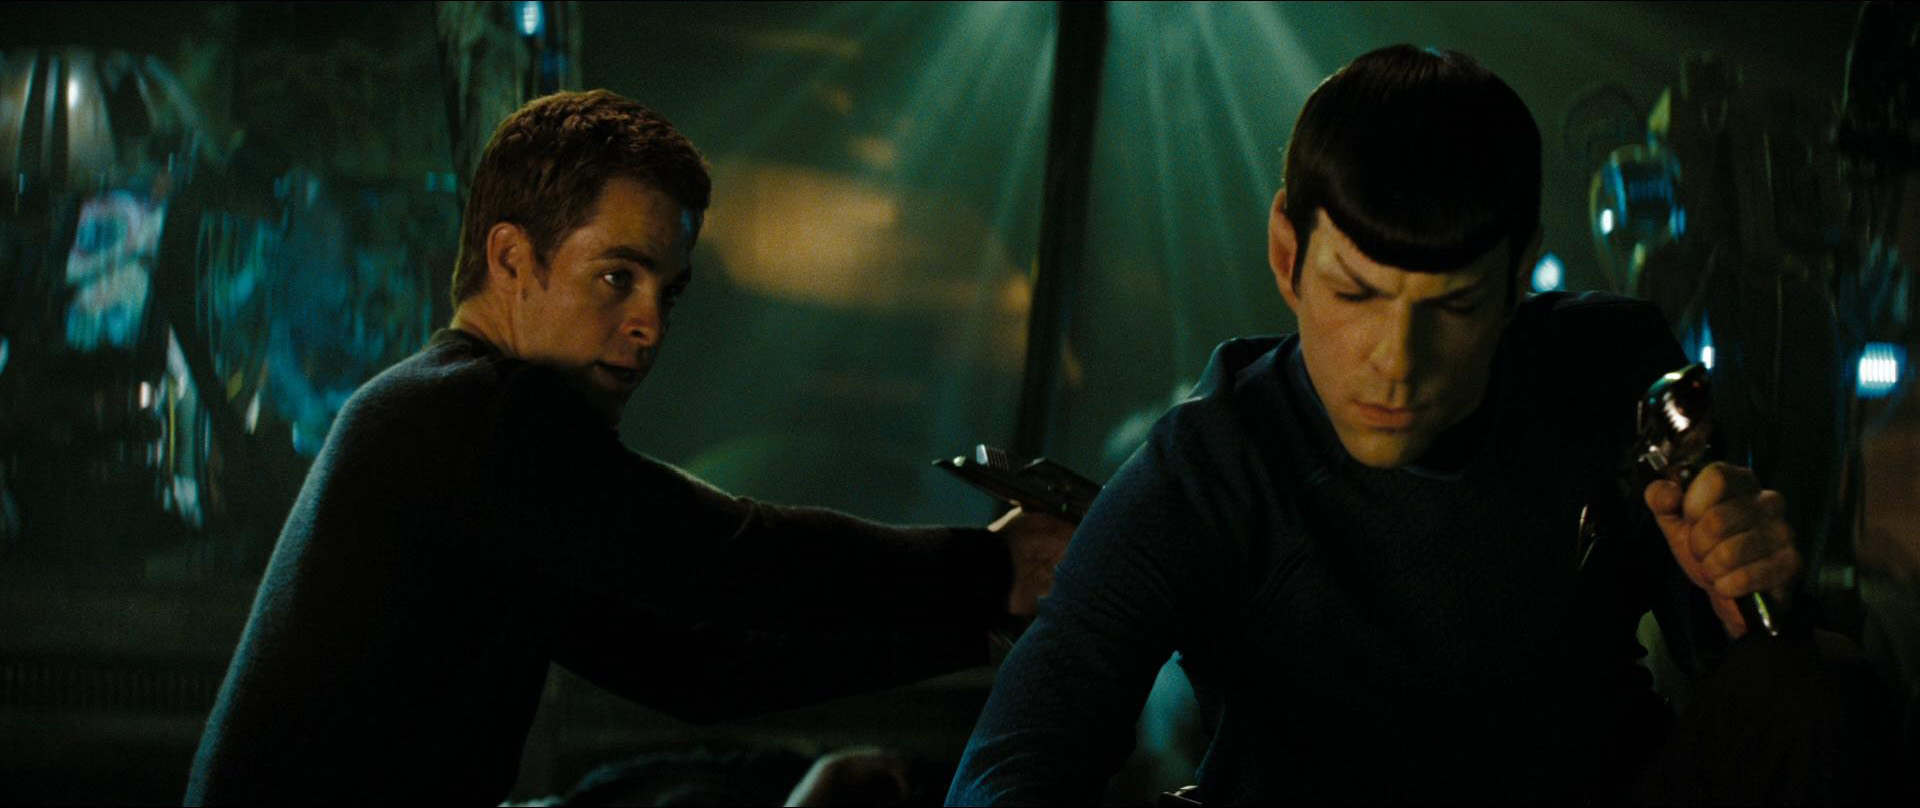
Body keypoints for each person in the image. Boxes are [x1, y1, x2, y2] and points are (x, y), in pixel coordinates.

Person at [946, 46, 1884, 805]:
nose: (1397, 362)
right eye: (1357, 294)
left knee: (1804, 688)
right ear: (1287, 254)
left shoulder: (1609, 374)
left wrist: (1750, 599)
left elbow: (1768, 699)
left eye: (1454, 306)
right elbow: (1016, 757)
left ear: (1518, 277)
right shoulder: (1212, 465)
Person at [185, 90, 1072, 805]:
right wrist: (991, 568)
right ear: (511, 259)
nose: (650, 325)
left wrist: (984, 623)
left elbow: (698, 671)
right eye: (618, 276)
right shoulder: (476, 414)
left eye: (667, 292)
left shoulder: (459, 435)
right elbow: (734, 559)